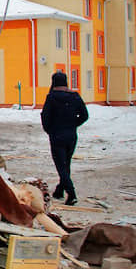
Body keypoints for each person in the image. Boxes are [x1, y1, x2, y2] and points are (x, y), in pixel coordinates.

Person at [40, 71, 89, 206]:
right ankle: (59, 190)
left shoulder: (51, 97)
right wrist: (73, 124)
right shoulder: (75, 96)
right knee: (66, 163)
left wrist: (49, 130)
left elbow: (45, 117)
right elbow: (84, 115)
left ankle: (71, 194)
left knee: (61, 166)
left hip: (57, 135)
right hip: (71, 135)